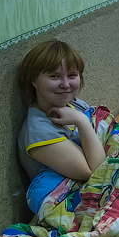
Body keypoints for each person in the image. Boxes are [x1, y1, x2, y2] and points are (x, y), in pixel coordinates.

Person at [16, 40, 106, 213]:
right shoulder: (38, 131)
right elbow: (96, 172)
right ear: (34, 80)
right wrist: (81, 122)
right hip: (70, 204)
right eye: (54, 76)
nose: (65, 84)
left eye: (72, 75)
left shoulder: (75, 105)